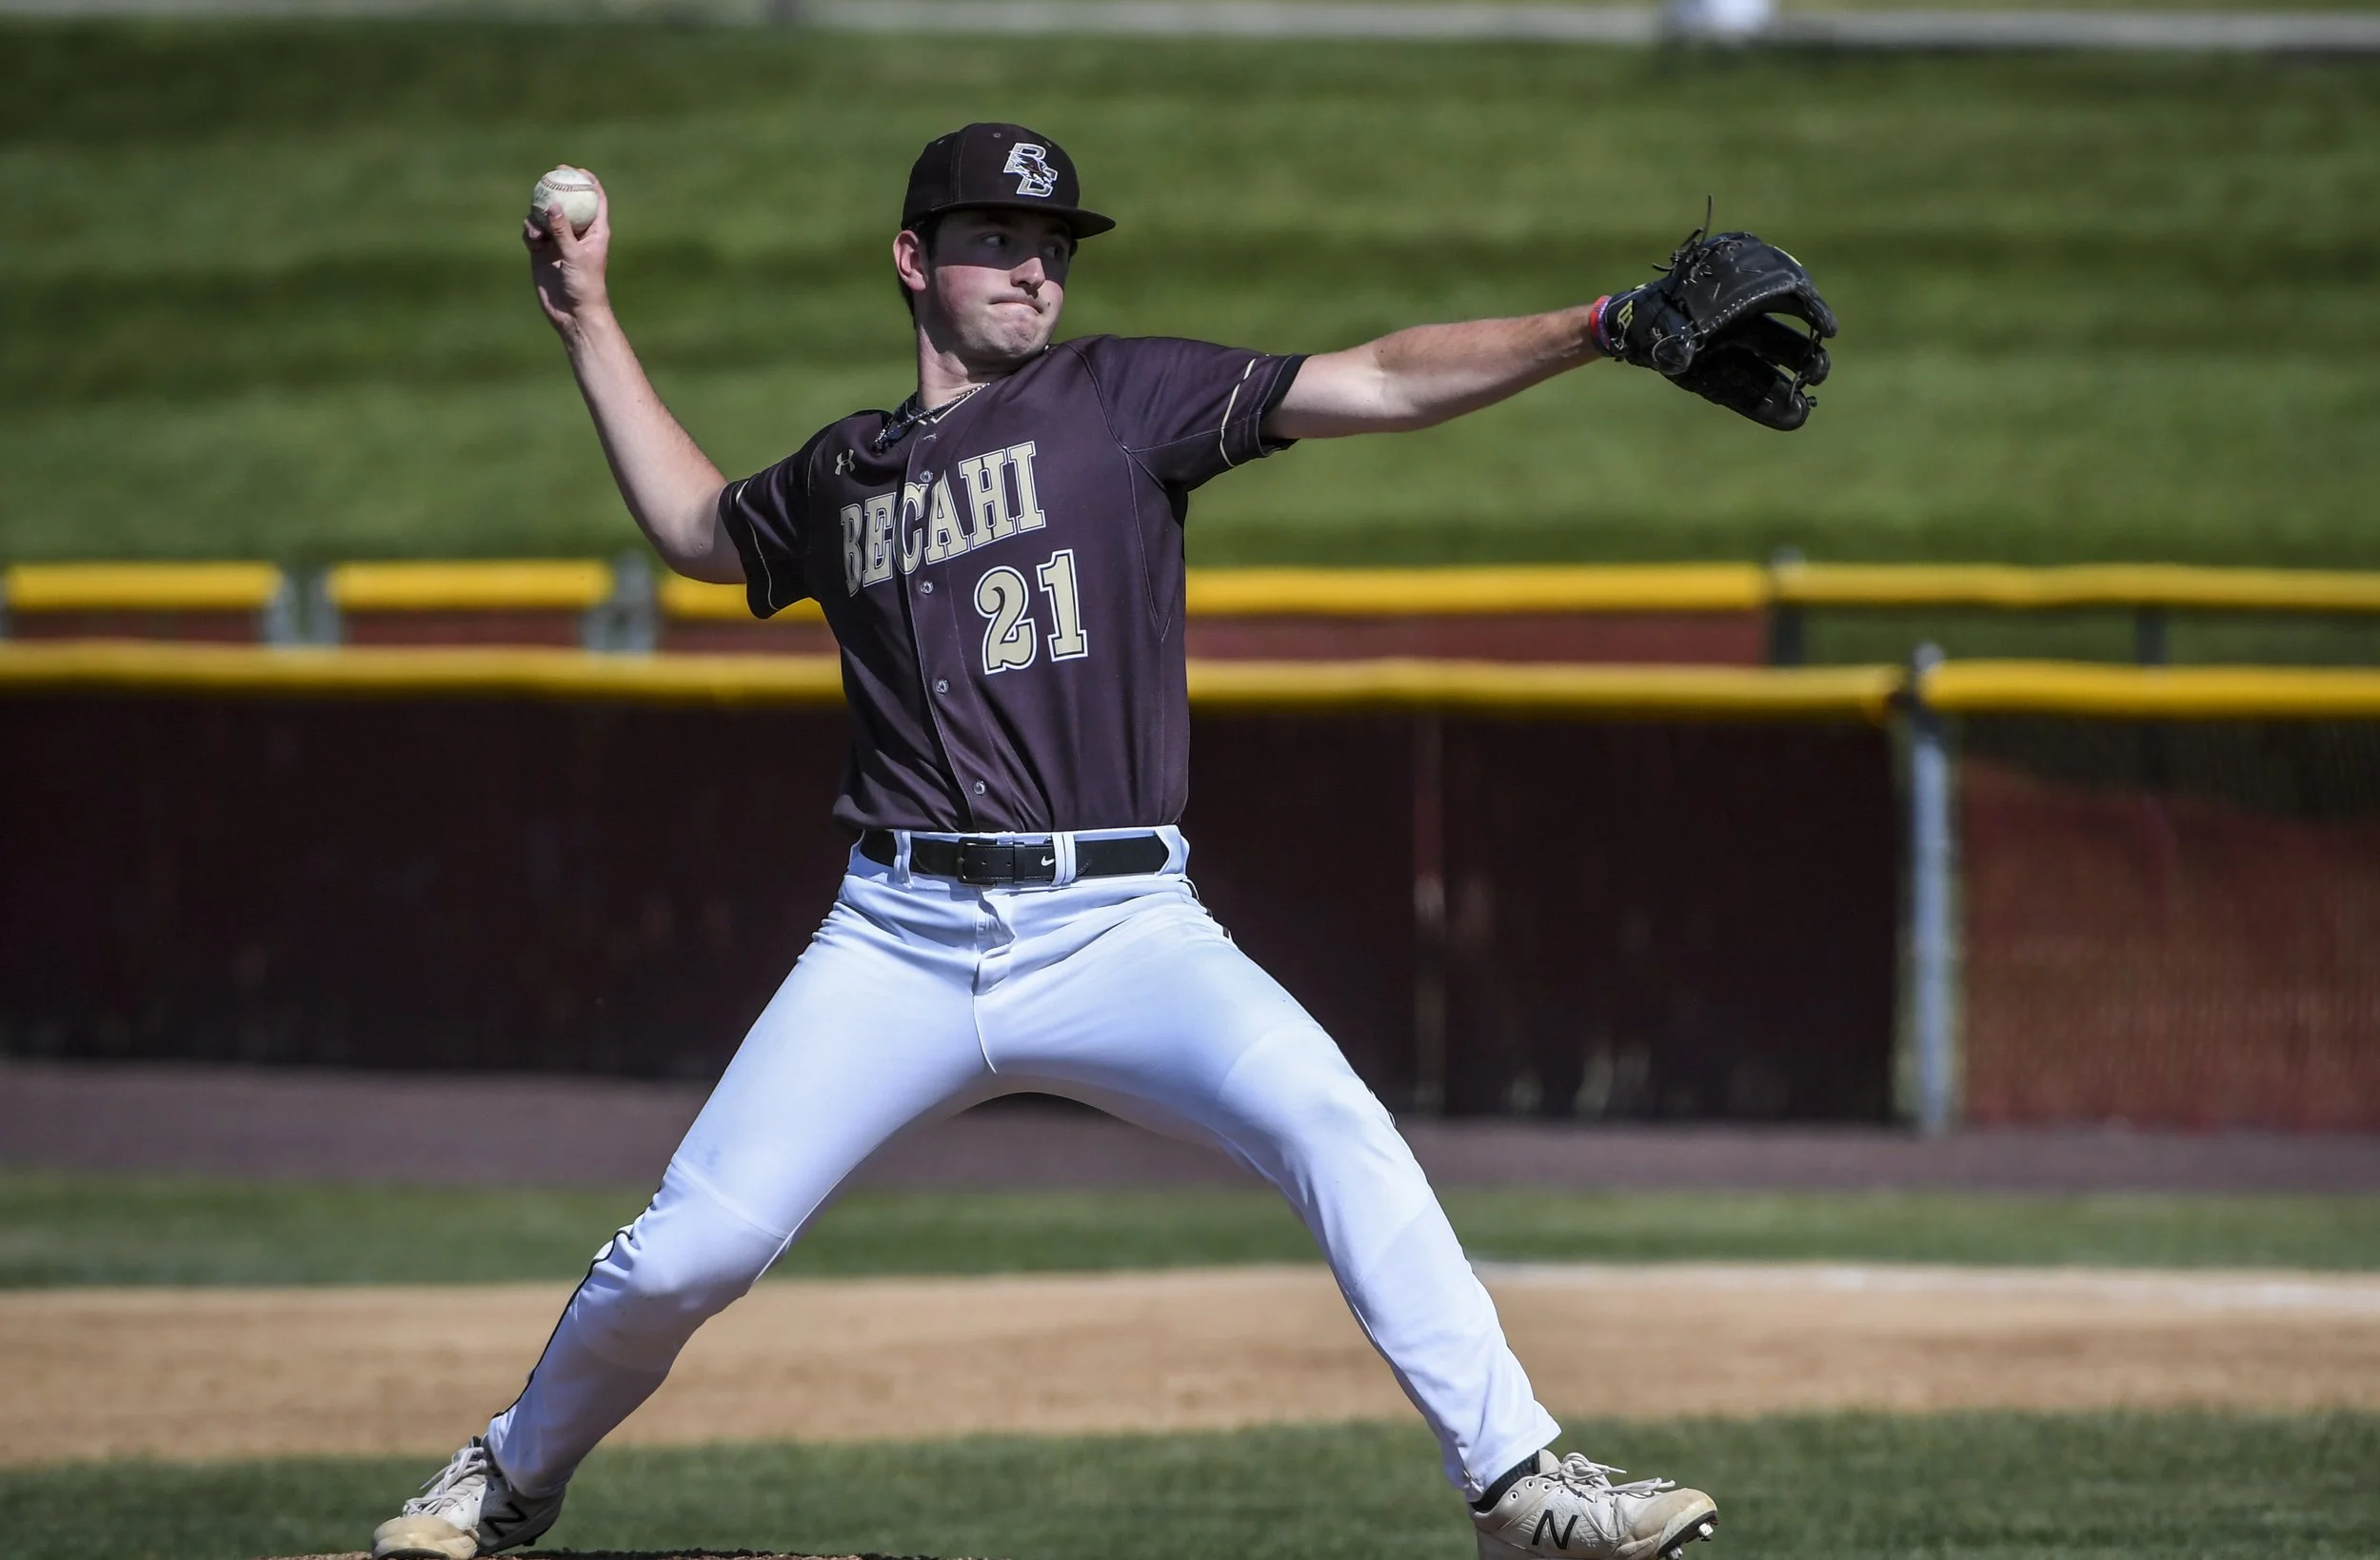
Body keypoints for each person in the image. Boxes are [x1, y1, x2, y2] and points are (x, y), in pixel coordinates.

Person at [371, 122, 1731, 1560]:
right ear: (914, 260)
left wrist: (1602, 326)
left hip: (1123, 925)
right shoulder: (848, 475)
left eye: (1054, 244)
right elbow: (703, 531)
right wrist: (588, 319)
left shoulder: (1123, 398)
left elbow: (1382, 379)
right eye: (997, 238)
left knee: (1331, 1121)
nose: (1035, 268)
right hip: (893, 935)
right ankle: (508, 1477)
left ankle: (1518, 1483)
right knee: (689, 1249)